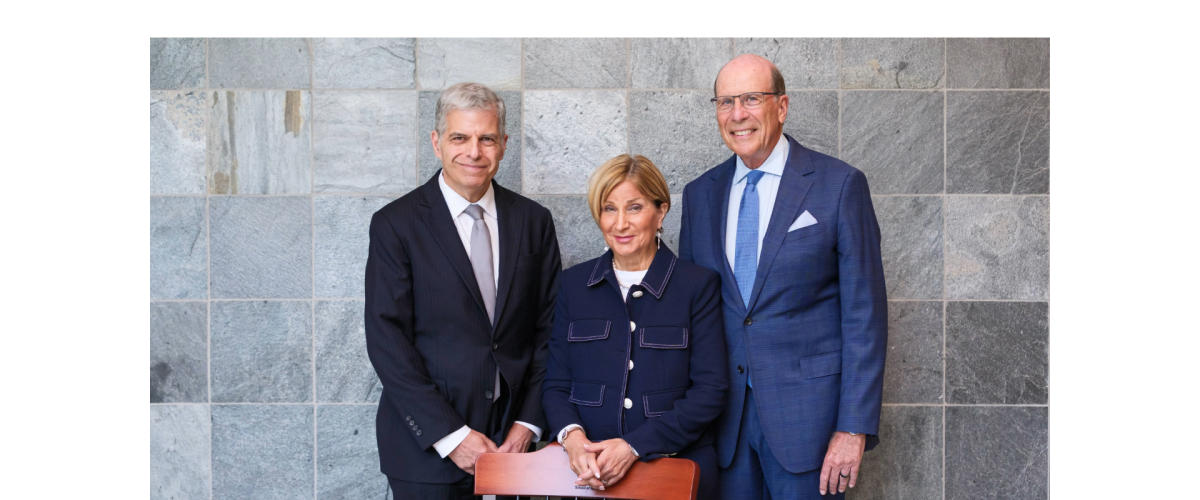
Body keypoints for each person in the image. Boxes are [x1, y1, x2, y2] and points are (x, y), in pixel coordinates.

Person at [677, 54, 888, 499]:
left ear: (782, 106)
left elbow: (864, 315)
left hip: (810, 426)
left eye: (752, 98)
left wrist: (853, 428)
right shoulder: (700, 195)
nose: (738, 115)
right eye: (726, 101)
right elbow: (691, 316)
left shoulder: (839, 185)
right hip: (723, 426)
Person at [364, 82, 562, 499]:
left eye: (486, 138)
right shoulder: (395, 225)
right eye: (460, 137)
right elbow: (387, 341)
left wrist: (527, 425)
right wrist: (452, 436)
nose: (474, 151)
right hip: (427, 456)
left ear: (503, 145)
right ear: (437, 143)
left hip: (515, 450)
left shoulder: (533, 221)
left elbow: (551, 332)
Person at [541, 154, 729, 500]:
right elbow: (556, 384)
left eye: (634, 208)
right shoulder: (573, 284)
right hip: (587, 477)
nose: (620, 223)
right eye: (609, 209)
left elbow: (710, 390)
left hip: (676, 473)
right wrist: (573, 440)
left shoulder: (697, 285)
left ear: (661, 212)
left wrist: (634, 446)